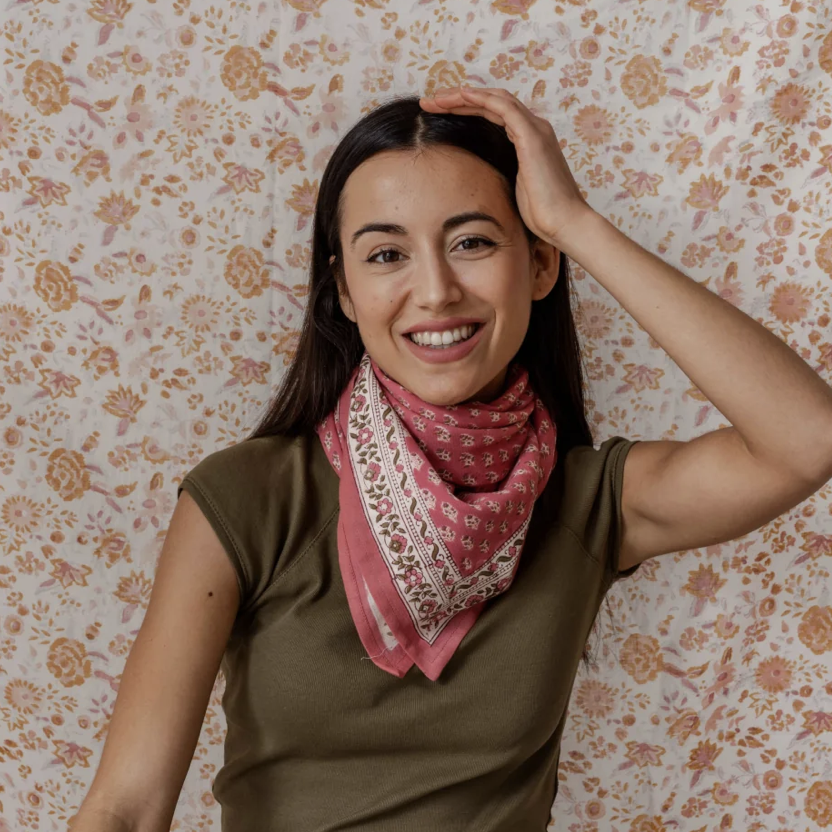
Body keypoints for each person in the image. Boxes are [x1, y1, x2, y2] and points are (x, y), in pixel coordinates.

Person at [70, 86, 832, 832]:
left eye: (472, 242)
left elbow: (807, 440)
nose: (435, 291)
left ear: (540, 266)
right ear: (344, 290)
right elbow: (125, 810)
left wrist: (575, 223)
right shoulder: (250, 498)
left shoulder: (589, 503)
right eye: (386, 254)